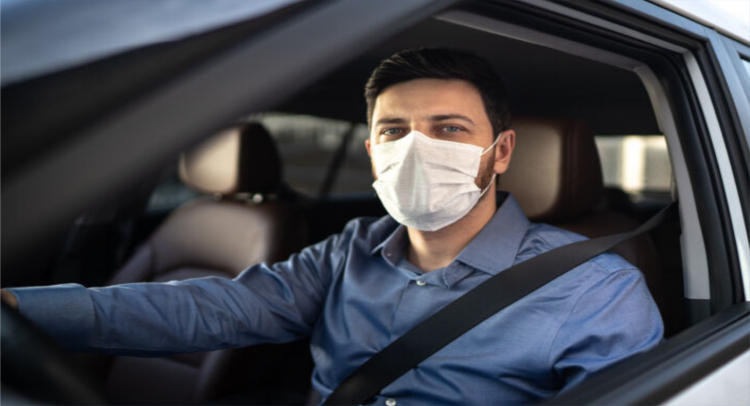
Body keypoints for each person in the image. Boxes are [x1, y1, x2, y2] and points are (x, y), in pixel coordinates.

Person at [1, 48, 662, 405]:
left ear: (502, 151)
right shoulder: (352, 249)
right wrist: (20, 312)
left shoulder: (594, 288)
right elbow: (216, 307)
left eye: (449, 129)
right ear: (372, 152)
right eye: (394, 131)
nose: (416, 149)